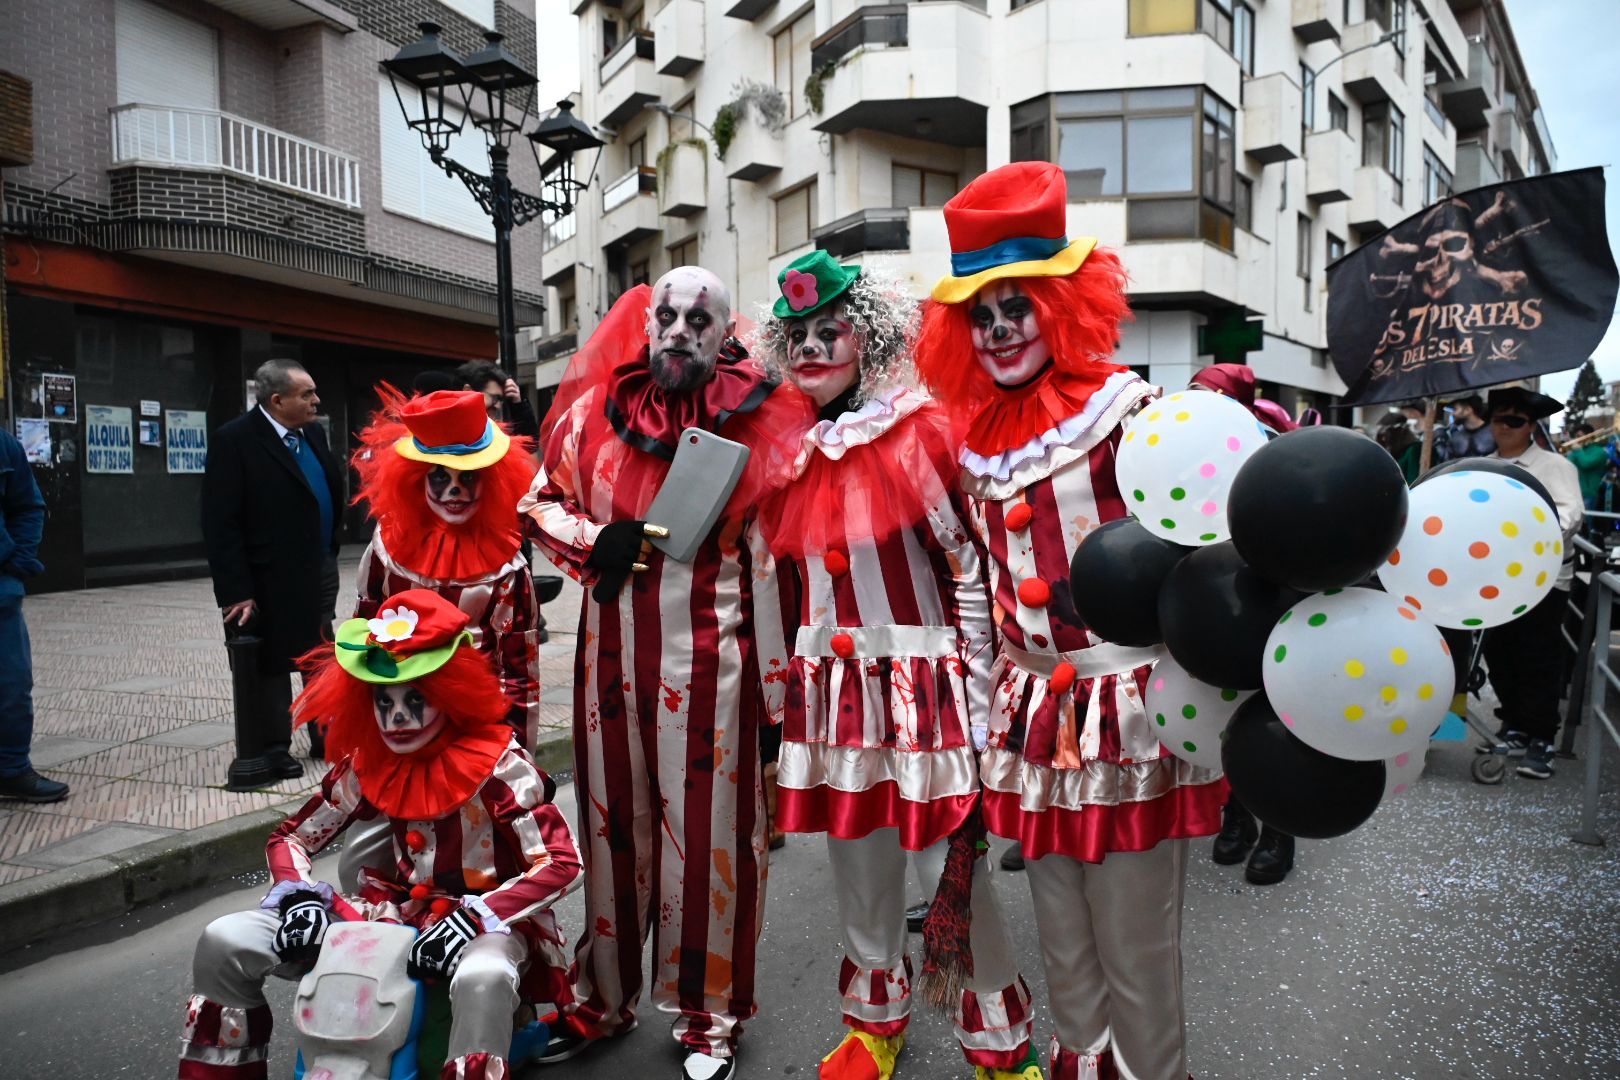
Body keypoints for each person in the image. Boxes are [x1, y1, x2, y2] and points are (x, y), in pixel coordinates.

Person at [915, 162, 1227, 1080]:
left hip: (1127, 708)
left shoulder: (1133, 416)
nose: (1003, 327)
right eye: (983, 311)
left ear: (1062, 305)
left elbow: (1206, 552)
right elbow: (976, 590)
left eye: (1021, 304)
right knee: (1064, 945)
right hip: (1032, 718)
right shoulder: (973, 443)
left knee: (1135, 947)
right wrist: (978, 719)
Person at [519, 266, 813, 1080]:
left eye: (700, 320)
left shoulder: (758, 428)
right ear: (648, 327)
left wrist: (778, 699)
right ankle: (603, 998)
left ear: (725, 338)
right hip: (605, 667)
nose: (681, 330)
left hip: (715, 673)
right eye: (669, 317)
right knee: (611, 834)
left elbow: (775, 568)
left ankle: (708, 1016)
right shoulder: (588, 418)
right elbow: (538, 502)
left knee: (711, 843)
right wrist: (590, 540)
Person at [754, 252, 1036, 1080]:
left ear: (867, 338)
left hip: (922, 685)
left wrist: (978, 697)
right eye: (796, 336)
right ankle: (874, 1024)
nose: (809, 349)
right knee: (858, 866)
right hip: (830, 688)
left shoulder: (914, 432)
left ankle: (999, 1043)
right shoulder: (787, 451)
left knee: (948, 867)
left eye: (827, 332)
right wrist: (781, 702)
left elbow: (967, 569)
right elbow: (777, 586)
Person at [175, 589, 580, 1080]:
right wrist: (298, 897)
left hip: (486, 920)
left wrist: (476, 918)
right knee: (225, 940)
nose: (397, 719)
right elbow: (291, 837)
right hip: (391, 913)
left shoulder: (498, 765)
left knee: (484, 976)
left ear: (448, 695)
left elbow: (561, 861)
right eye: (382, 702)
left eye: (416, 699)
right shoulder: (368, 763)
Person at [202, 359, 342, 781]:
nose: (316, 400)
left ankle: (327, 732)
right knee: (271, 661)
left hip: (316, 566)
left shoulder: (312, 433)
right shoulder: (236, 441)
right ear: (277, 400)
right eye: (306, 394)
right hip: (267, 574)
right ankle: (274, 746)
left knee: (320, 652)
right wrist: (236, 590)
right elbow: (219, 522)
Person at [1189, 364, 1296, 884]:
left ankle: (1279, 827)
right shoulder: (1182, 448)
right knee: (1220, 708)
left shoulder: (1270, 450)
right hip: (1214, 596)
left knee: (1274, 710)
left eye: (1205, 395)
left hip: (1271, 594)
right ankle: (1235, 816)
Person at [1481, 386, 1584, 780]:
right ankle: (1515, 724)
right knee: (1500, 654)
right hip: (1492, 582)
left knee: (1537, 656)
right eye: (1499, 419)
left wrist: (1525, 539)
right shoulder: (1481, 466)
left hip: (1542, 580)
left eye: (1515, 420)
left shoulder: (1555, 467)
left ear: (1530, 427)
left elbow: (1569, 515)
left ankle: (1542, 735)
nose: (1504, 427)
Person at [0, 428, 66, 803]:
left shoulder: (4, 445)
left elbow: (27, 506)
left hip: (0, 591)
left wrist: (17, 562)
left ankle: (10, 770)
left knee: (11, 686)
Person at [459, 360, 540, 441]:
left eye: (501, 399)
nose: (498, 406)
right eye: (495, 397)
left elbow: (529, 444)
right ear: (468, 391)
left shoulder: (493, 434)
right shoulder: (450, 430)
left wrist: (518, 404)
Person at [1564, 422, 1610, 509]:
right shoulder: (1578, 451)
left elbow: (1586, 464)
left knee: (1587, 521)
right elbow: (1567, 466)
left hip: (1590, 493)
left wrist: (1578, 451)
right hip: (1574, 492)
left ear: (1589, 436)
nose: (1577, 439)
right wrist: (1571, 452)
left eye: (1579, 436)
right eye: (1576, 436)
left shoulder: (1599, 451)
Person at [1440, 394, 1495, 461]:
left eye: (1455, 409)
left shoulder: (1494, 432)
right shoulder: (1455, 437)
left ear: (1468, 410)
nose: (1452, 414)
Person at [1376, 410, 1423, 484]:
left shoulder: (1414, 448)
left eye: (1386, 434)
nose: (1383, 439)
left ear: (1397, 432)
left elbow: (1413, 480)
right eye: (1381, 435)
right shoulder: (1389, 449)